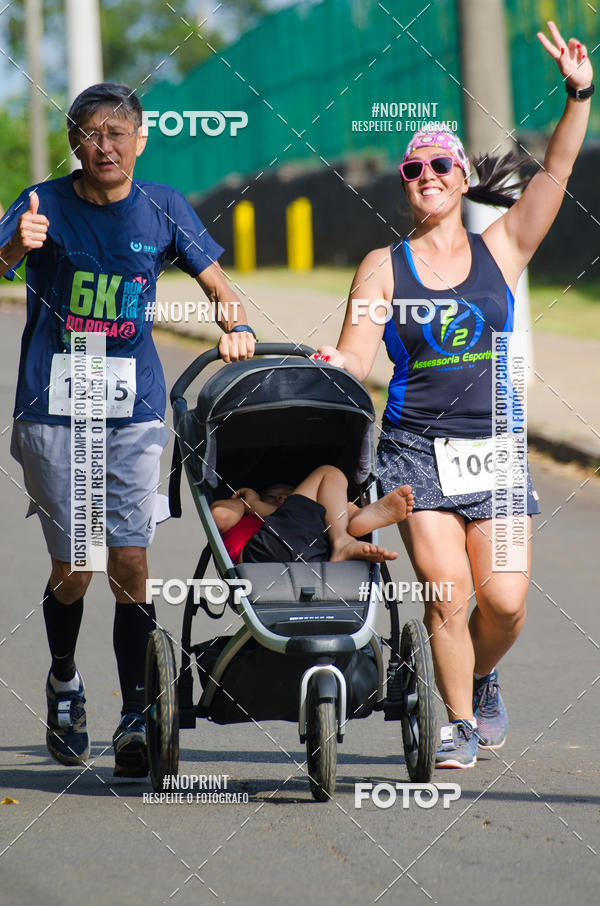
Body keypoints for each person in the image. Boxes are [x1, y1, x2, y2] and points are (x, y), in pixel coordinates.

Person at [315, 23, 593, 768]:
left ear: (464, 176)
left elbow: (557, 171)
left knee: (504, 603)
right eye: (414, 169)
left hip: (494, 449)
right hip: (416, 452)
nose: (427, 175)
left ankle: (481, 672)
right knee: (446, 592)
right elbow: (356, 354)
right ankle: (460, 723)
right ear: (405, 185)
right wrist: (333, 362)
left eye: (441, 164)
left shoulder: (503, 247)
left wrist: (578, 95)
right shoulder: (382, 267)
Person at [0, 82, 256, 777]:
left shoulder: (163, 205)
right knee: (76, 567)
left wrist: (237, 326)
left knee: (132, 562)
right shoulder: (41, 204)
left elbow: (220, 287)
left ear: (140, 141)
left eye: (118, 133)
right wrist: (13, 248)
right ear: (74, 143)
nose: (105, 145)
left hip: (133, 409)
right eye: (91, 133)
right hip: (55, 407)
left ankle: (136, 715)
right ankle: (63, 680)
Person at [210, 465, 414, 564]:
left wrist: (257, 503)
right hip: (262, 550)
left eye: (288, 496)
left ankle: (355, 519)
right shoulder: (247, 516)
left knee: (334, 509)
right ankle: (347, 533)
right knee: (329, 473)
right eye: (271, 497)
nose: (280, 498)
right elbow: (220, 517)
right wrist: (248, 504)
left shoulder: (308, 516)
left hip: (315, 552)